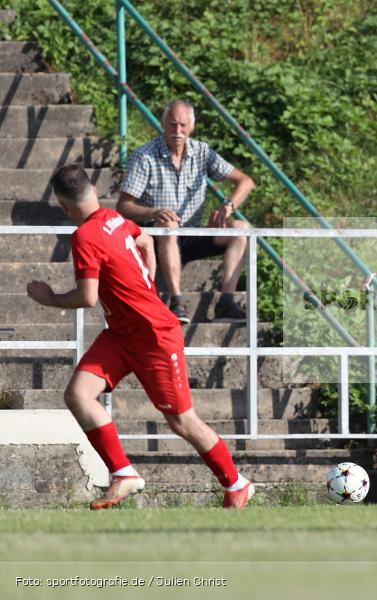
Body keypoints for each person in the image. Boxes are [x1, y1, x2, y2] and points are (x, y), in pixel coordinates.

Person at [27, 165, 255, 510]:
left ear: (63, 207)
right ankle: (123, 473)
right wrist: (144, 283)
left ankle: (237, 484)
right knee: (78, 394)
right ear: (91, 190)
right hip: (121, 334)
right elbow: (146, 240)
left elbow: (88, 297)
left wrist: (50, 298)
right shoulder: (114, 218)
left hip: (154, 336)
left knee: (181, 421)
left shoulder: (85, 236)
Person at [116, 99, 255, 324]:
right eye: (172, 125)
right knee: (169, 225)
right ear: (163, 125)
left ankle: (226, 301)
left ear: (191, 127)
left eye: (182, 125)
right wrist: (154, 212)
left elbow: (246, 182)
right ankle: (177, 301)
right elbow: (123, 206)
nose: (177, 131)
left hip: (191, 234)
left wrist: (227, 206)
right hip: (155, 235)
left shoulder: (202, 152)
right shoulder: (145, 156)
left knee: (241, 229)